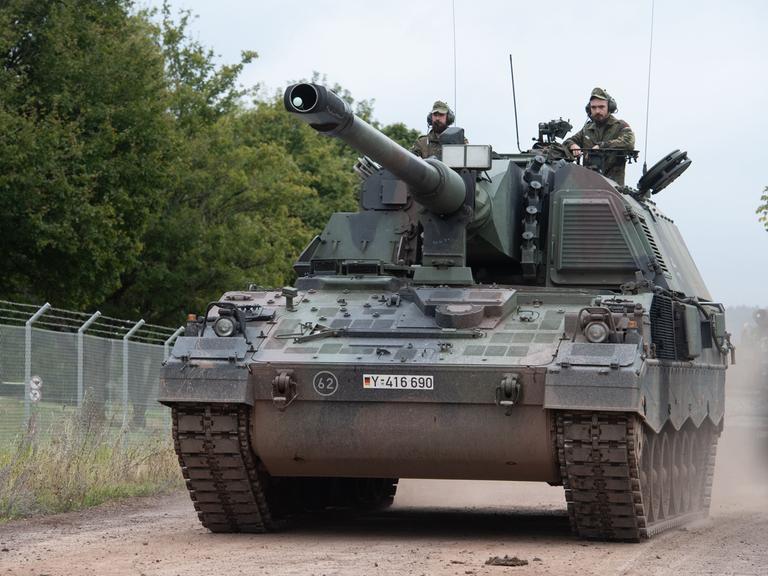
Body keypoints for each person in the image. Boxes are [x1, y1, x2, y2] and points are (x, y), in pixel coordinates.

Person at [564, 87, 636, 185]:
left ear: (609, 107)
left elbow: (629, 142)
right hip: (588, 187)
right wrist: (572, 145)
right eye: (594, 107)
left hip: (613, 189)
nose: (597, 111)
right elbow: (568, 141)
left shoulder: (620, 126)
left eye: (601, 107)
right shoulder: (587, 129)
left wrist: (602, 146)